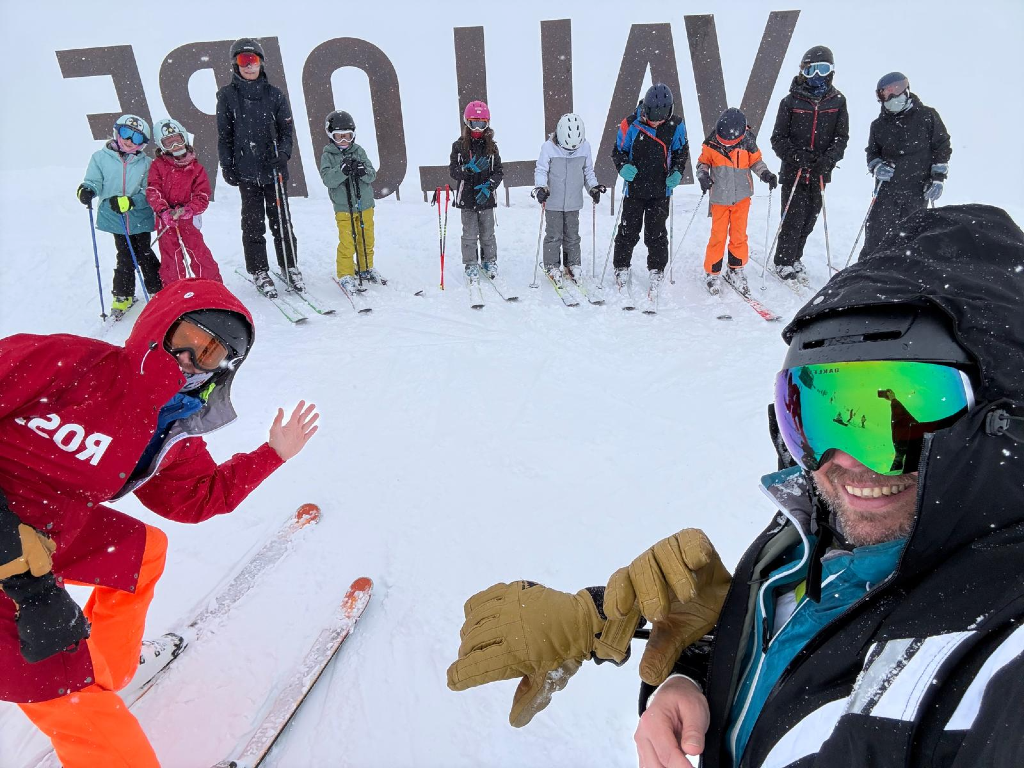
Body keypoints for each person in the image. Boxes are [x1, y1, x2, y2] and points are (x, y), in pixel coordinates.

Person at [447, 204, 1024, 768]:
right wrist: (701, 659)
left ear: (1004, 412)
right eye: (817, 416)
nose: (845, 462)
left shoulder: (999, 653)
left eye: (901, 416)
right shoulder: (815, 533)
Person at [0, 278, 320, 767]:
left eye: (211, 354)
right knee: (69, 698)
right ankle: (87, 692)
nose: (191, 359)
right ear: (158, 327)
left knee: (141, 550)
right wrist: (30, 586)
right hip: (12, 544)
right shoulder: (66, 364)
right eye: (187, 339)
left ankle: (109, 669)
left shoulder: (166, 424)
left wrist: (271, 455)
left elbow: (193, 497)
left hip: (46, 529)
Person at [216, 37, 302, 298]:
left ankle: (290, 265)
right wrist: (227, 165)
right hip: (246, 170)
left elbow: (287, 130)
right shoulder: (228, 96)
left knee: (281, 220)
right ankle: (259, 270)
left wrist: (284, 153)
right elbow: (225, 134)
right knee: (253, 223)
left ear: (261, 62)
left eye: (253, 60)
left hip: (274, 170)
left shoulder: (274, 94)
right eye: (244, 60)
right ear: (236, 64)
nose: (249, 66)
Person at [769, 45, 849, 281]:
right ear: (802, 72)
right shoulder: (790, 102)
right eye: (811, 70)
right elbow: (777, 138)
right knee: (792, 218)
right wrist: (796, 156)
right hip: (794, 171)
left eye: (822, 69)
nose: (816, 76)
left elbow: (841, 137)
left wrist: (829, 159)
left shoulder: (838, 102)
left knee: (810, 217)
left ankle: (796, 257)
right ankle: (783, 260)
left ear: (831, 71)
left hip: (820, 172)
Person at [76, 114, 163, 319]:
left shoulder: (147, 163)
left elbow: (148, 191)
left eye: (137, 138)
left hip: (139, 217)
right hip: (115, 219)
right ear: (117, 132)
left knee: (144, 253)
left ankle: (158, 287)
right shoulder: (100, 158)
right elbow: (94, 181)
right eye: (126, 133)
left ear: (142, 144)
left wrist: (132, 202)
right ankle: (123, 295)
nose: (129, 140)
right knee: (124, 255)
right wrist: (87, 190)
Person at [610, 83, 688, 304]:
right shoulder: (630, 123)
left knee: (656, 233)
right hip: (634, 188)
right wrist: (622, 166)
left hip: (661, 189)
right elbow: (618, 151)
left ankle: (657, 268)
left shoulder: (676, 125)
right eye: (652, 117)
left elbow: (681, 152)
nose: (656, 122)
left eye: (661, 119)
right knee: (628, 230)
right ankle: (621, 266)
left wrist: (677, 172)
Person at [861, 72, 951, 260]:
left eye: (896, 90)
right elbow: (872, 152)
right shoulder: (878, 125)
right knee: (876, 236)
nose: (892, 96)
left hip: (917, 190)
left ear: (906, 90)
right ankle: (866, 272)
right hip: (887, 189)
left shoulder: (927, 116)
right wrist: (877, 167)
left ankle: (901, 278)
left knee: (910, 238)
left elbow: (941, 146)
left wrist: (938, 179)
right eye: (885, 93)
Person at [696, 107, 777, 296]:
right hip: (720, 199)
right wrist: (702, 176)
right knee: (718, 236)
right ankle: (712, 272)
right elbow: (703, 163)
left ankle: (735, 268)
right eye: (723, 139)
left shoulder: (748, 142)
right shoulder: (711, 144)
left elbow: (756, 162)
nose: (727, 143)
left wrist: (765, 174)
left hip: (741, 197)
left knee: (739, 235)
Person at [532, 112, 605, 288]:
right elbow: (541, 170)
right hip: (553, 201)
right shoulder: (548, 148)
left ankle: (573, 264)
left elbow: (588, 172)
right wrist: (541, 187)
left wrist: (593, 188)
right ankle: (552, 265)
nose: (571, 151)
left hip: (574, 201)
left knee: (573, 236)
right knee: (554, 235)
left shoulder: (585, 147)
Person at [146, 118, 222, 285]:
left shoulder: (196, 168)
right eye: (169, 143)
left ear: (185, 139)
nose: (175, 146)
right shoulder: (158, 166)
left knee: (199, 252)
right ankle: (175, 289)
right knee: (171, 257)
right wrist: (163, 211)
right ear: (161, 146)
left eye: (178, 140)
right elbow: (153, 190)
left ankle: (211, 285)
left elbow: (202, 195)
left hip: (187, 217)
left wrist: (190, 209)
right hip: (167, 219)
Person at [319, 110, 381, 293]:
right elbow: (328, 179)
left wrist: (362, 170)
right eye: (339, 137)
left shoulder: (359, 151)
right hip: (343, 207)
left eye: (348, 136)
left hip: (365, 205)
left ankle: (365, 267)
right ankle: (346, 273)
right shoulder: (328, 155)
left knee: (366, 238)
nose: (344, 140)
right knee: (347, 240)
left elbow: (371, 175)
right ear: (331, 136)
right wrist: (342, 170)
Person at [449, 100, 504, 285]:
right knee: (470, 233)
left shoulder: (492, 147)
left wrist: (489, 185)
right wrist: (467, 170)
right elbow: (453, 171)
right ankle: (470, 263)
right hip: (467, 197)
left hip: (486, 197)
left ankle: (489, 261)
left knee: (488, 233)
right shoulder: (459, 146)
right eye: (474, 123)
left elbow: (499, 171)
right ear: (467, 123)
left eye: (482, 124)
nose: (478, 129)